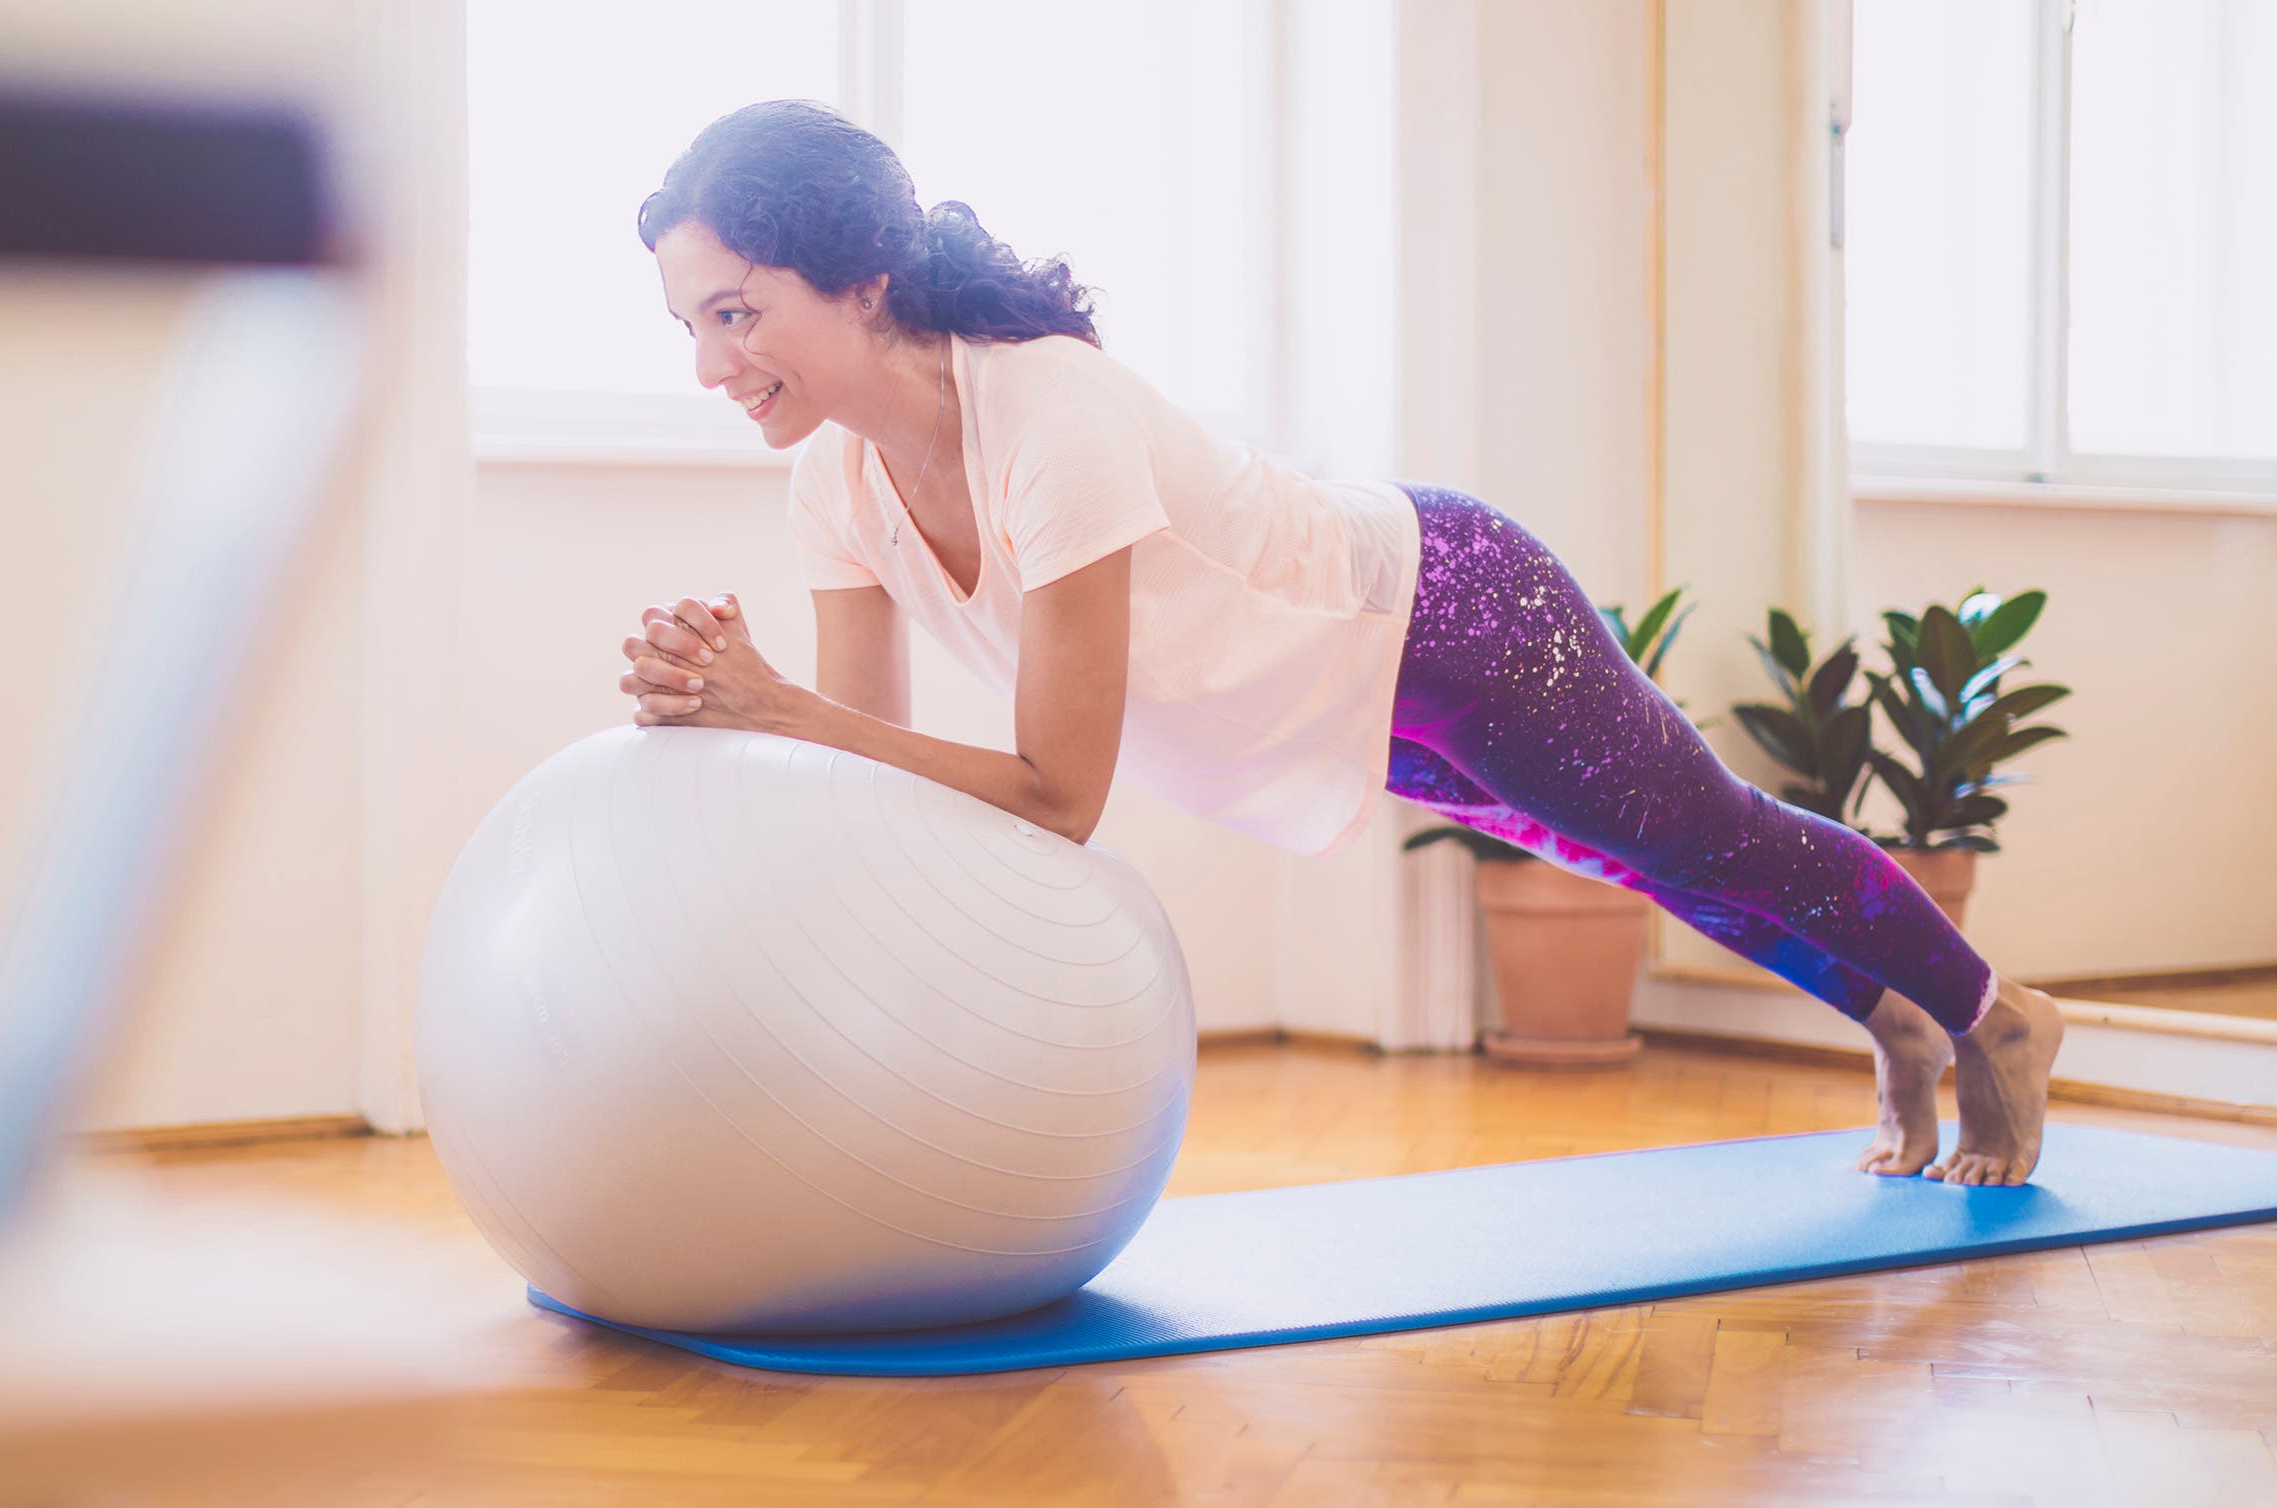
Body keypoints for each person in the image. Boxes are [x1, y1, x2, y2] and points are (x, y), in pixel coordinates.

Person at [615, 100, 2063, 1188]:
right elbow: (881, 773)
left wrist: (783, 707)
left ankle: (1994, 1020)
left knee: (1704, 831)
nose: (707, 368)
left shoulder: (1047, 415)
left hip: (1450, 614)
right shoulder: (834, 484)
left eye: (736, 314)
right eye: (690, 325)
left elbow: (1059, 794)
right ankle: (1898, 1021)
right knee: (1633, 855)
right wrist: (734, 706)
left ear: (860, 278)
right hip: (1340, 703)